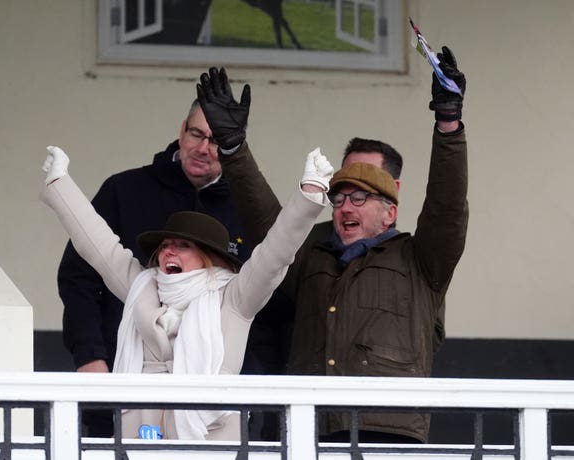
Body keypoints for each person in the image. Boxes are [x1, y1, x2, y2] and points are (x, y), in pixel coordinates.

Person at [208, 46, 469, 443]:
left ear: (389, 210)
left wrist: (448, 123)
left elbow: (447, 206)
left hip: (389, 431)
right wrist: (233, 149)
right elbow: (270, 227)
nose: (346, 206)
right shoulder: (312, 251)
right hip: (310, 425)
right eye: (340, 197)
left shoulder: (420, 259)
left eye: (360, 198)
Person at [40, 144, 333, 440]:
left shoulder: (233, 295)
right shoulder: (143, 287)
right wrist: (59, 183)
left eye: (183, 246)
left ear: (209, 257)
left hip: (211, 435)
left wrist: (309, 194)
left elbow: (276, 252)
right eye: (165, 246)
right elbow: (98, 244)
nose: (169, 252)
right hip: (142, 434)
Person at [56, 85, 280, 436]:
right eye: (196, 133)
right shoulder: (125, 190)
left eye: (217, 139)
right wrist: (89, 356)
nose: (204, 148)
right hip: (121, 381)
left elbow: (270, 293)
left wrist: (253, 379)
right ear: (181, 131)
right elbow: (79, 277)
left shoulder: (247, 208)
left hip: (218, 404)